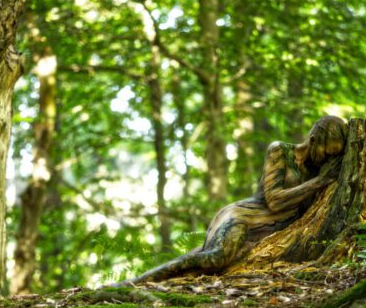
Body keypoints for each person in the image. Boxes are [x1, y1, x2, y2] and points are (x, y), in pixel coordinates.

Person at [120, 115, 348, 285]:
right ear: (314, 140)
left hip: (264, 232)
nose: (328, 160)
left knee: (202, 265)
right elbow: (274, 201)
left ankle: (146, 283)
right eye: (326, 153)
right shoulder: (281, 152)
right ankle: (130, 284)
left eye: (334, 156)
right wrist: (319, 182)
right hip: (244, 217)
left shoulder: (318, 172)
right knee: (215, 258)